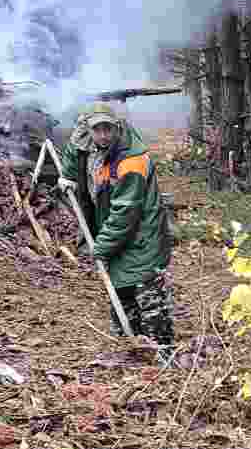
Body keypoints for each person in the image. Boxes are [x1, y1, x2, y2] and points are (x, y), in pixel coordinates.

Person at [58, 102, 179, 349]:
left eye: (108, 129)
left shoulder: (131, 161)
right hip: (116, 234)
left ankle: (164, 350)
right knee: (121, 291)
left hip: (142, 234)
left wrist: (101, 248)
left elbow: (125, 211)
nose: (103, 135)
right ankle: (130, 347)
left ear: (118, 127)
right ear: (88, 131)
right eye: (97, 130)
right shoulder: (91, 146)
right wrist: (67, 175)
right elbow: (74, 155)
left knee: (148, 295)